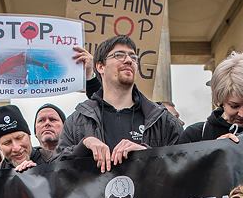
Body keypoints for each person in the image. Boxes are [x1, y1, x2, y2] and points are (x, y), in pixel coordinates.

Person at [57, 36, 182, 172]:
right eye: (119, 55)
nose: (129, 60)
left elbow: (187, 166)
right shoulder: (76, 122)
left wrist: (148, 154)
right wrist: (83, 146)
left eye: (133, 57)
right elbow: (52, 171)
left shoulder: (163, 120)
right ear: (100, 66)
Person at [178, 51, 243, 144]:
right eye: (234, 106)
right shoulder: (195, 135)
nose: (242, 114)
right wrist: (213, 151)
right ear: (220, 101)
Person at [0, 105, 54, 172]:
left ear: (29, 135)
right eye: (7, 143)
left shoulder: (54, 161)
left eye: (19, 138)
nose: (16, 148)